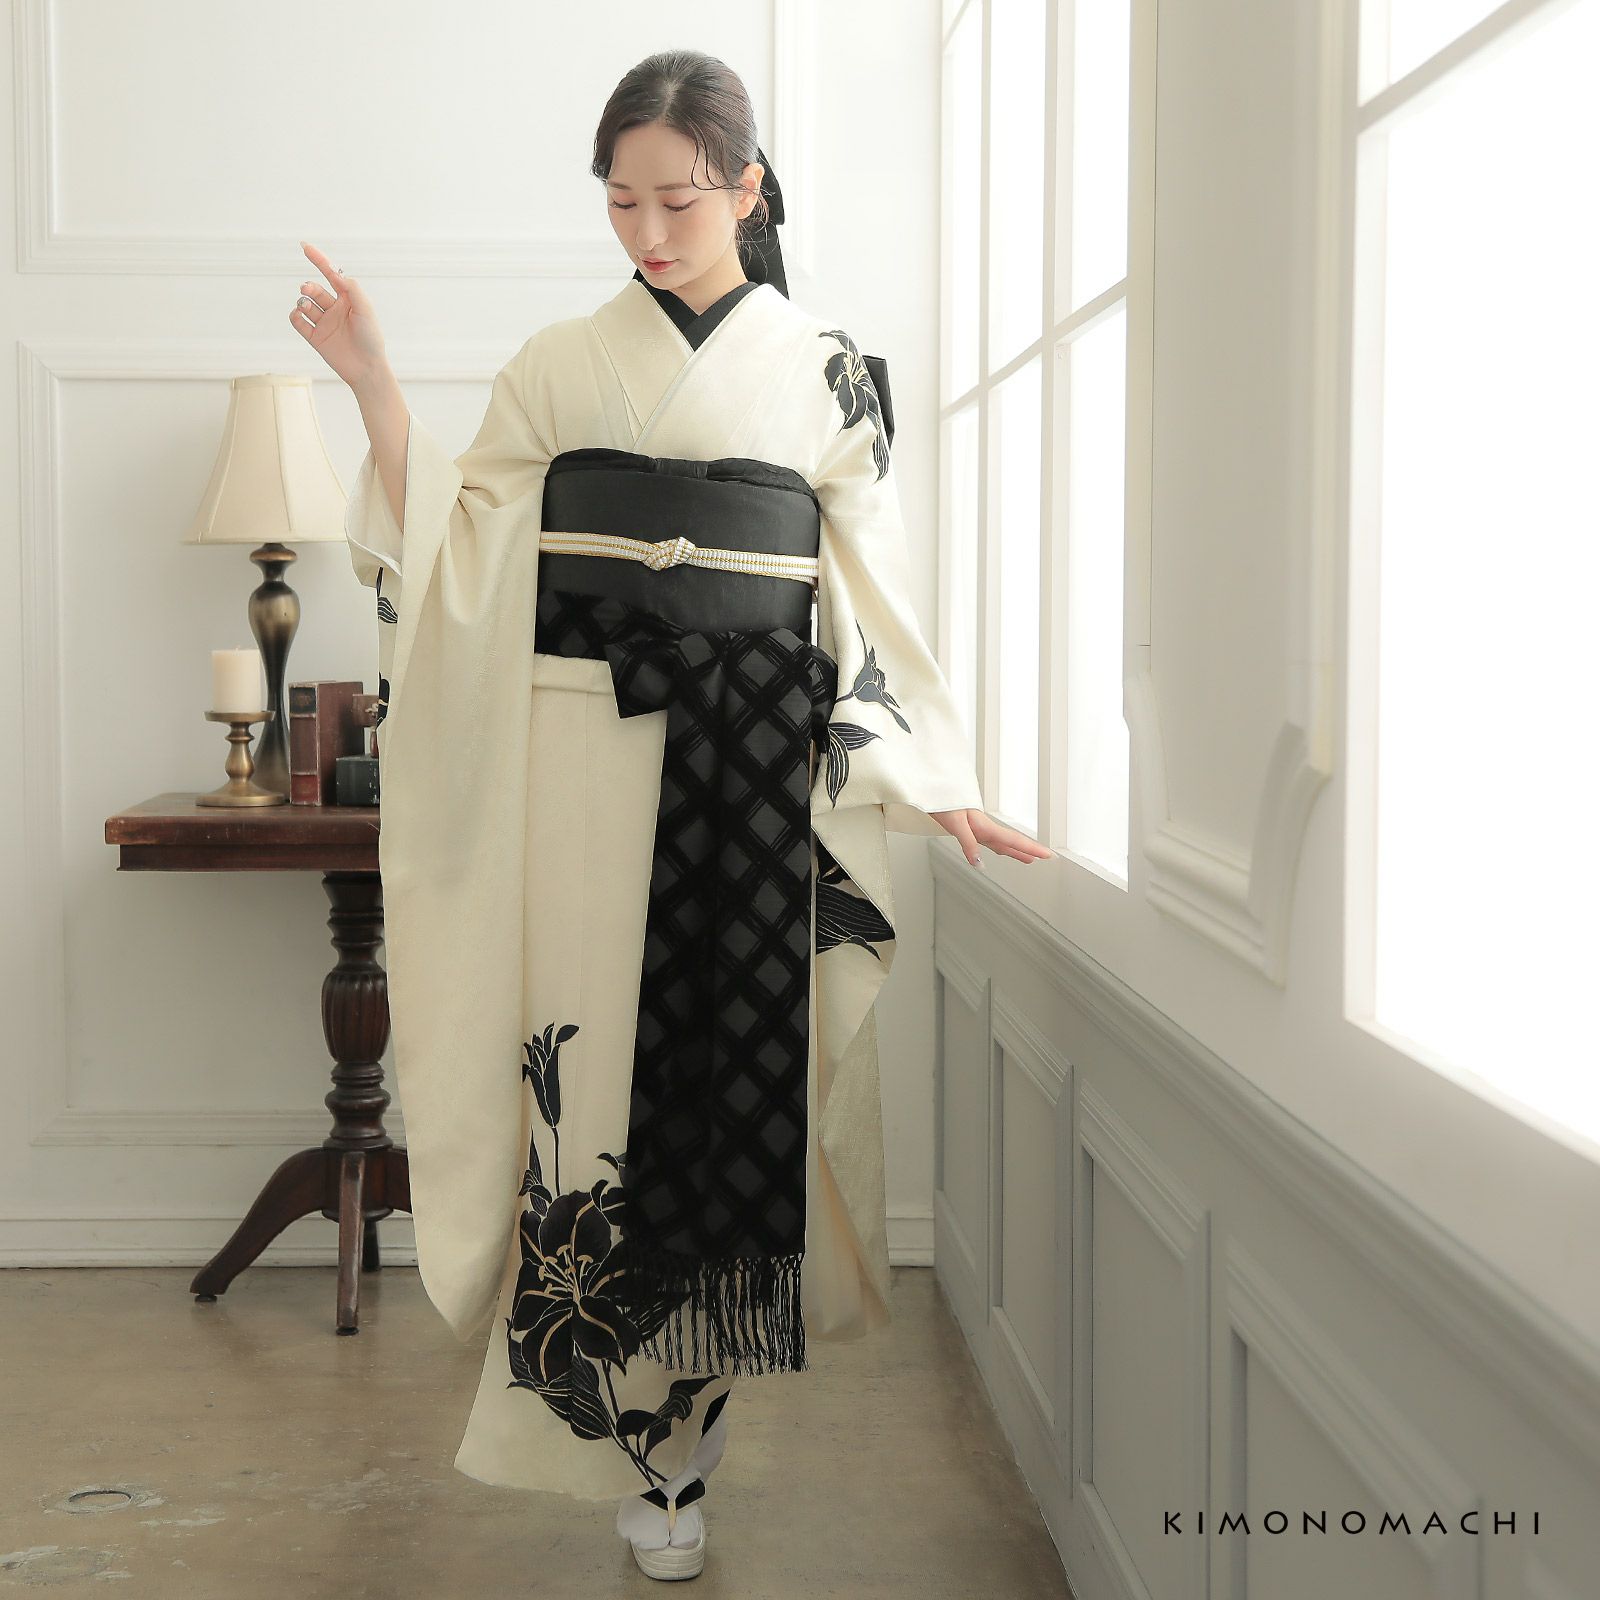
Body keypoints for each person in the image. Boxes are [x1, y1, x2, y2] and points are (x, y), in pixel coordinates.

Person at [290, 47, 1050, 1581]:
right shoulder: (559, 365)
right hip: (580, 752)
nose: (648, 231)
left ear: (747, 189)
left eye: (680, 201)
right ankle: (621, 1421)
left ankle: (683, 1452)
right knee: (592, 1088)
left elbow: (874, 587)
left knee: (720, 1086)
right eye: (623, 202)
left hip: (754, 762)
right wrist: (373, 383)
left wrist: (938, 774)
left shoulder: (826, 372)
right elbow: (461, 543)